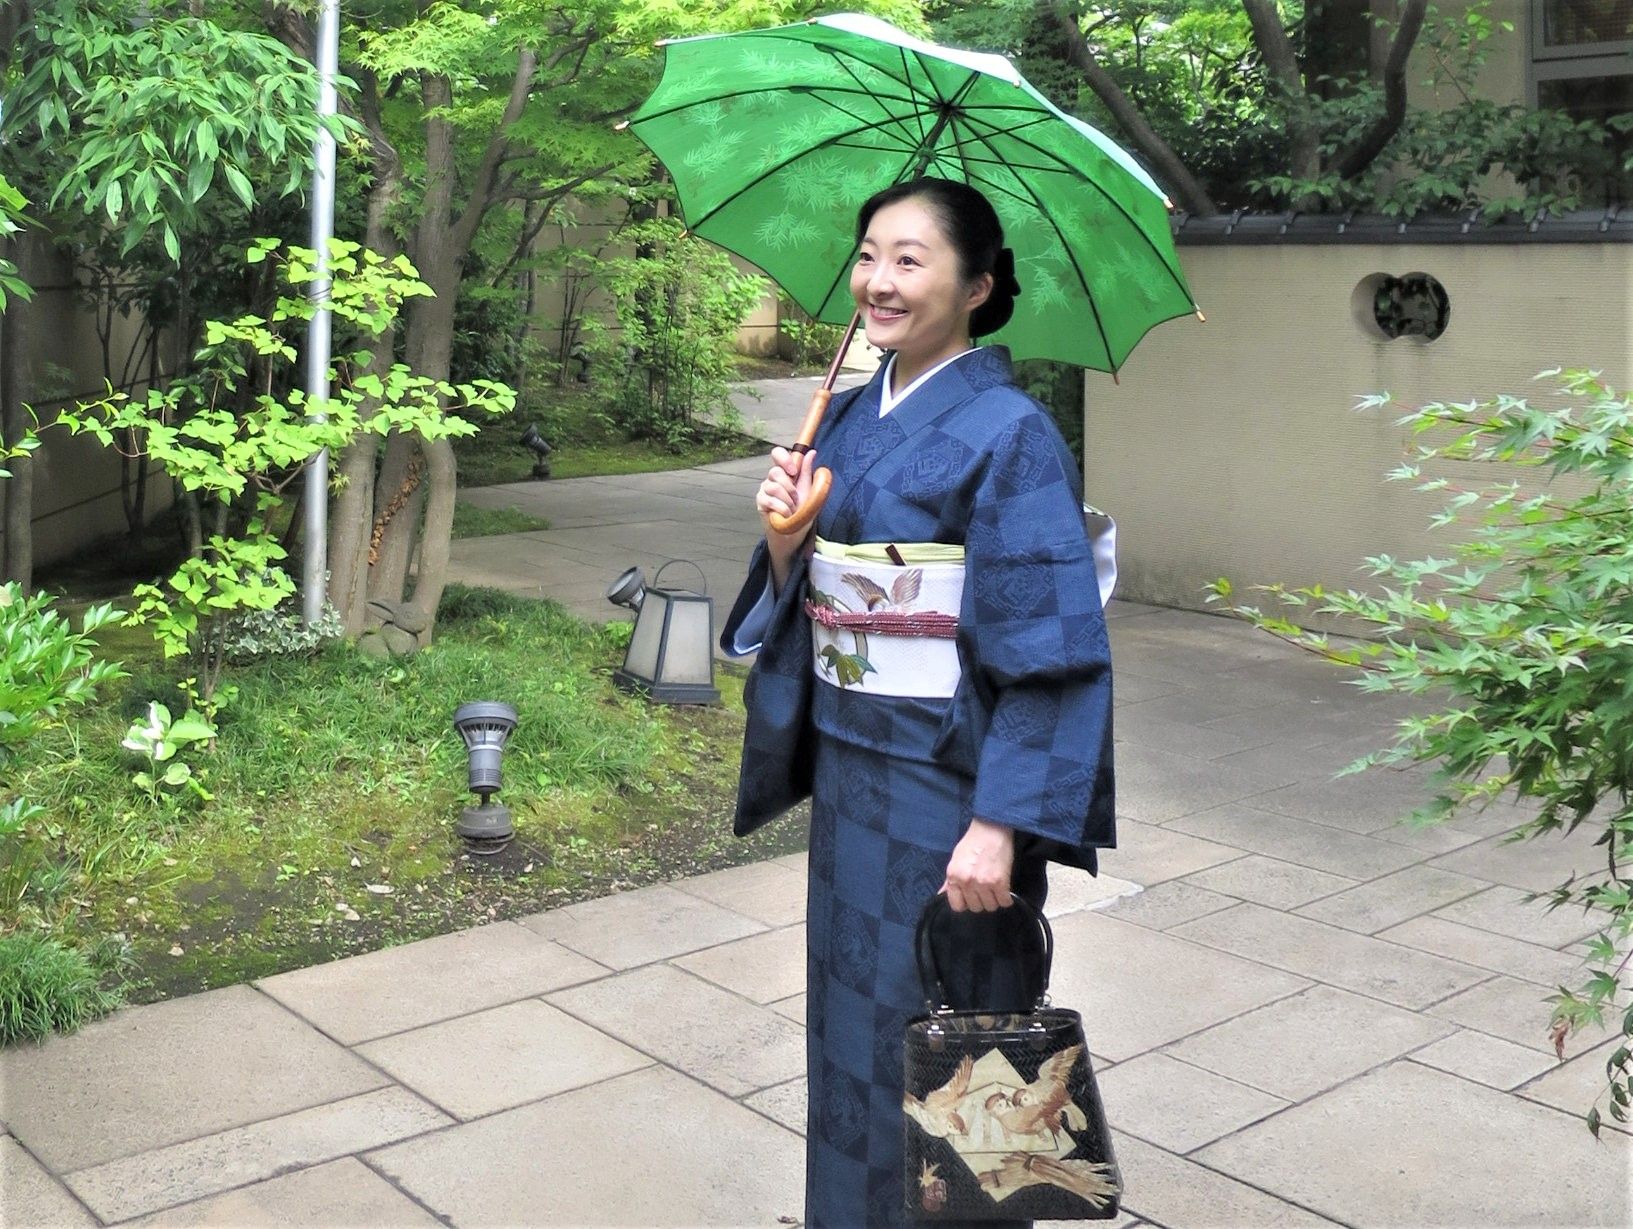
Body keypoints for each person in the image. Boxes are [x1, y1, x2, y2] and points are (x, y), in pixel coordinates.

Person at [721, 177, 1115, 1228]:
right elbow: (808, 604)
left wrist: (1000, 823)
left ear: (978, 286)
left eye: (908, 258)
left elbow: (1049, 648)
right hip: (854, 767)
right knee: (851, 1028)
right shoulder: (845, 418)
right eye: (866, 256)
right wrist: (785, 539)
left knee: (957, 1034)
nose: (876, 280)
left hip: (953, 785)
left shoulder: (1010, 430)